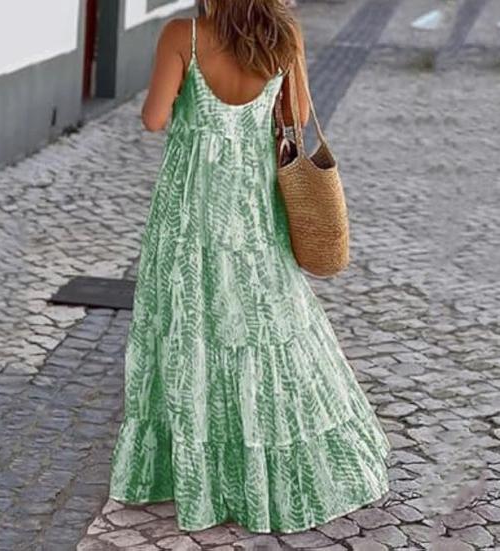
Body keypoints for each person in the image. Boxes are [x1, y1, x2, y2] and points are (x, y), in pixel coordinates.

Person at [108, 0, 391, 534]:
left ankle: (196, 467)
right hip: (253, 206)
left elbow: (154, 119)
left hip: (190, 211)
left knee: (190, 324)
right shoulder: (285, 33)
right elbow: (298, 117)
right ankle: (271, 462)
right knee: (266, 321)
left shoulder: (183, 35)